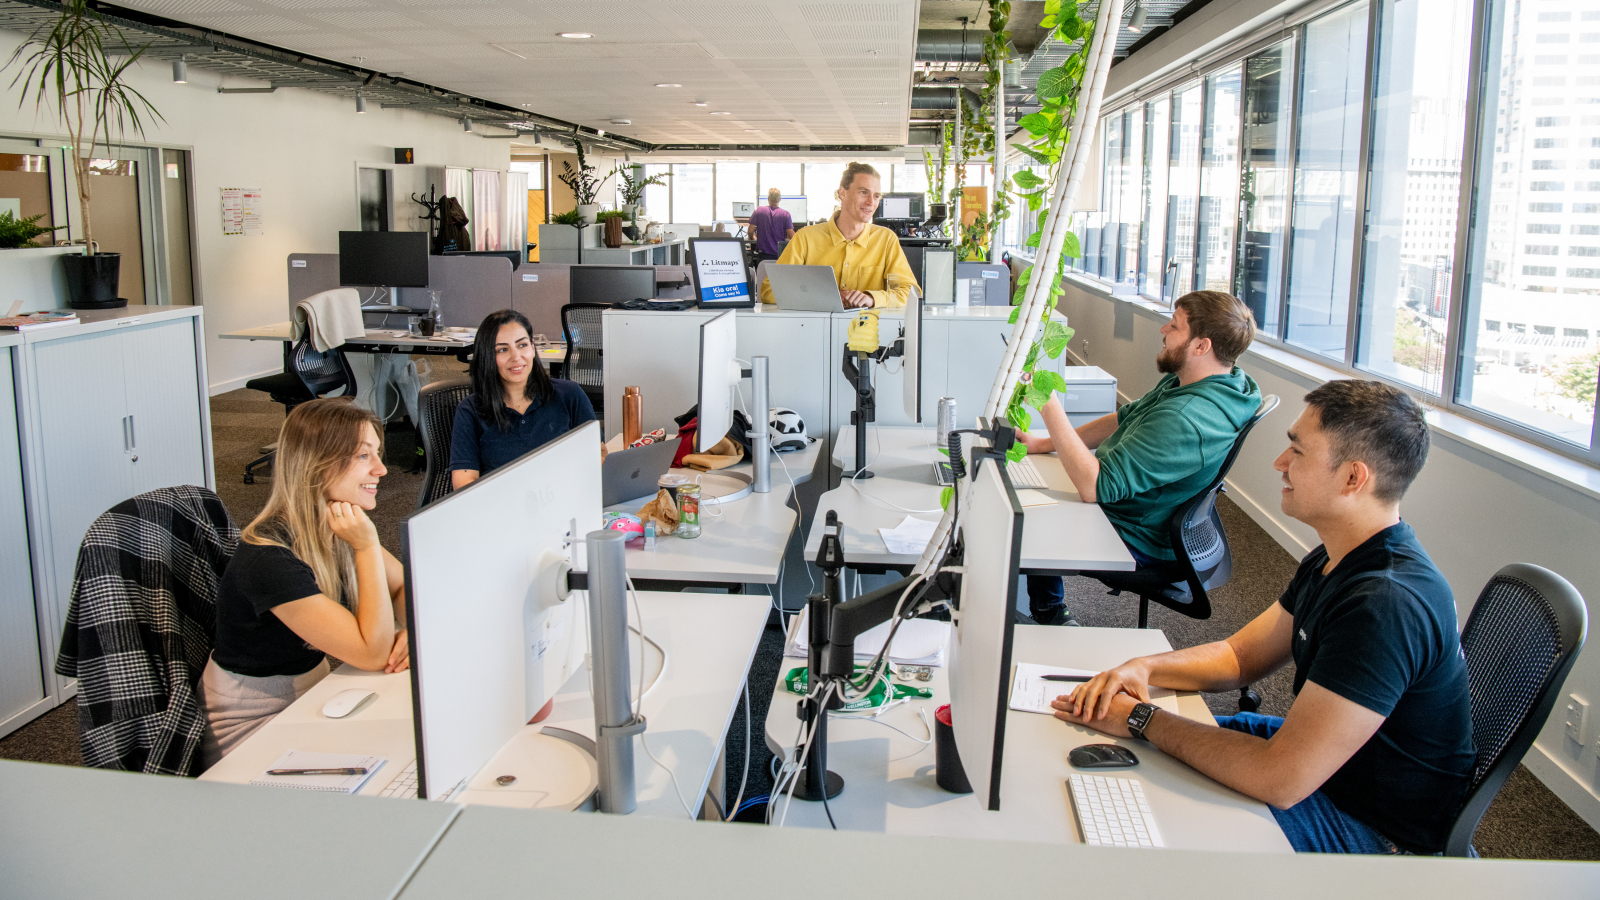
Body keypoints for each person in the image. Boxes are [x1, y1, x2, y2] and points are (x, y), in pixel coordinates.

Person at [1053, 380, 1474, 855]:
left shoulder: (1384, 604)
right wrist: (1144, 668)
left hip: (1372, 826)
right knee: (1141, 756)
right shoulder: (1338, 555)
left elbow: (1280, 779)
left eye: (1298, 451)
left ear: (1353, 478)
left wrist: (1140, 716)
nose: (1279, 462)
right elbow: (1241, 656)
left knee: (1152, 818)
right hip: (1328, 768)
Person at [1019, 290, 1261, 625]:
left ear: (1201, 346)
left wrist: (1048, 405)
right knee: (1039, 486)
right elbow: (1124, 417)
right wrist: (1045, 444)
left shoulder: (1185, 418)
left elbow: (1094, 487)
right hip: (1144, 509)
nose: (1163, 329)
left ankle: (1049, 614)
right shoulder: (1211, 381)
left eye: (1174, 325)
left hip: (1140, 534)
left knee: (1029, 517)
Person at [200, 398, 410, 766]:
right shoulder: (269, 557)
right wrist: (366, 547)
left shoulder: (334, 525)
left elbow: (404, 586)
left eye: (377, 453)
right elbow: (372, 654)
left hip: (313, 695)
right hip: (251, 727)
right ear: (318, 465)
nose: (381, 469)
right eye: (364, 456)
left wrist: (411, 628)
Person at [451, 309, 596, 489]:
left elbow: (598, 454)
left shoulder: (569, 395)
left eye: (522, 345)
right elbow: (464, 484)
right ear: (488, 357)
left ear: (532, 348)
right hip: (502, 503)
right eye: (503, 349)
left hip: (564, 496)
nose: (516, 357)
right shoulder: (470, 411)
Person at [758, 162, 918, 309]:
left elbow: (910, 293)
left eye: (876, 196)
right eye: (864, 192)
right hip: (816, 328)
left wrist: (872, 298)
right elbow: (769, 291)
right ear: (842, 192)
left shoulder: (886, 240)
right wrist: (826, 297)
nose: (871, 202)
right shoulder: (806, 238)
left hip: (867, 329)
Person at [748, 187, 794, 264]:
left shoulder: (759, 210)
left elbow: (750, 231)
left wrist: (752, 238)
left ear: (768, 198)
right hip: (779, 255)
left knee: (762, 271)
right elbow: (791, 235)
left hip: (762, 255)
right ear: (779, 199)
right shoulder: (786, 214)